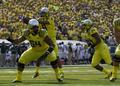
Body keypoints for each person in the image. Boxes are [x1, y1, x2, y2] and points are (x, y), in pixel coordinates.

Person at [32, 7, 64, 78]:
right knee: (39, 55)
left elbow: (46, 22)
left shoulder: (50, 18)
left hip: (52, 39)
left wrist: (36, 21)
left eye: (43, 13)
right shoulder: (39, 19)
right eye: (41, 13)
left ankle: (61, 72)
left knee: (56, 56)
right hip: (44, 39)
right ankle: (36, 71)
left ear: (46, 13)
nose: (41, 14)